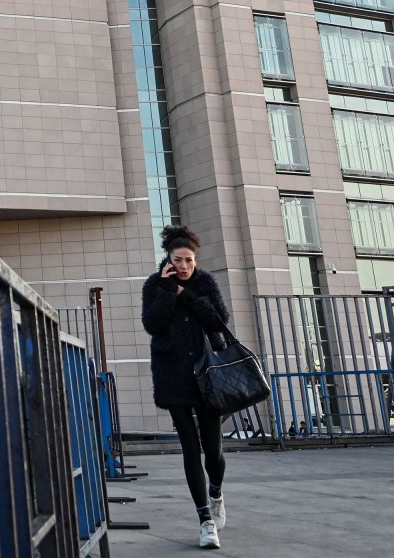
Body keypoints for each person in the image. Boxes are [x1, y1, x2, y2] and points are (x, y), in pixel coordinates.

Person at [142, 224, 231, 550]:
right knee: (190, 448)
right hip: (173, 374)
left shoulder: (205, 281)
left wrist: (186, 296)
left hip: (209, 374)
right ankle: (205, 521)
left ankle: (217, 492)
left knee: (214, 450)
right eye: (178, 260)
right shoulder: (154, 284)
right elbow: (152, 324)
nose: (183, 266)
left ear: (195, 259)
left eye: (189, 260)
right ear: (168, 258)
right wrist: (167, 291)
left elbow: (220, 319)